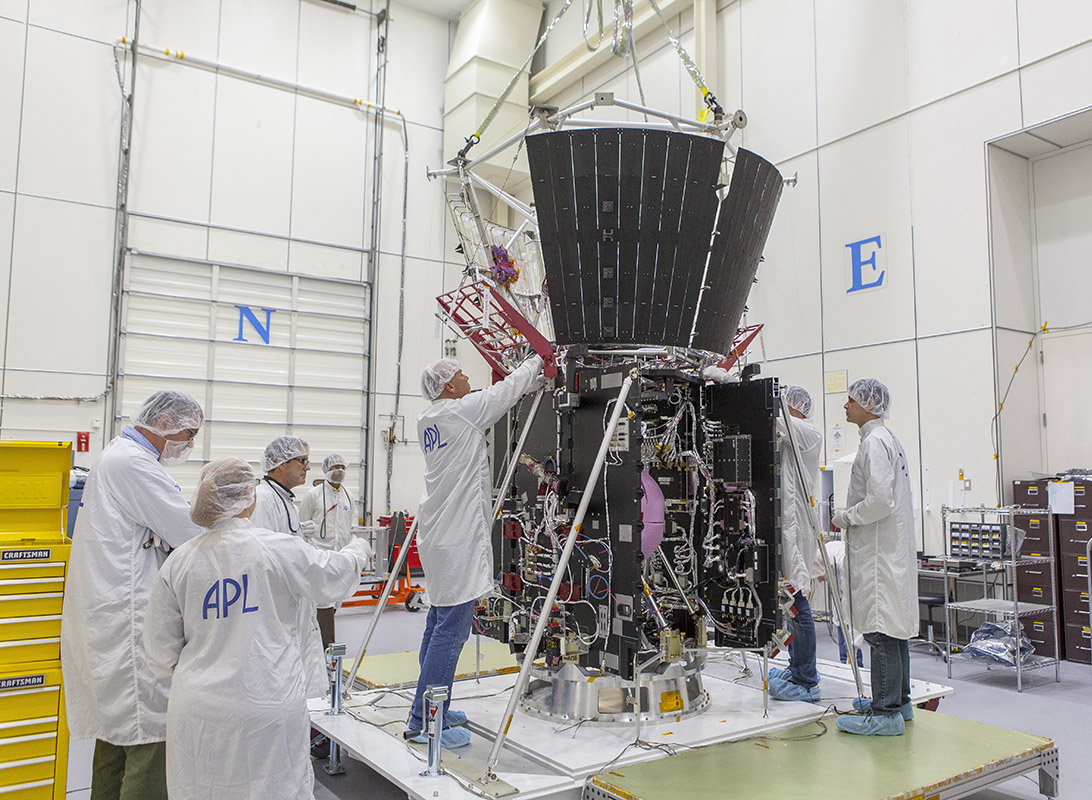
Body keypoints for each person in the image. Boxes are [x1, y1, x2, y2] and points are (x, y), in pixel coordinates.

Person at [143, 458, 371, 800]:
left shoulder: (181, 561)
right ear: (249, 497)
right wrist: (358, 549)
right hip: (267, 700)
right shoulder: (278, 549)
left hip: (199, 710)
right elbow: (332, 577)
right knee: (275, 787)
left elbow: (159, 652)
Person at [60, 390, 205, 800]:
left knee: (117, 731)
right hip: (130, 615)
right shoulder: (133, 463)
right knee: (149, 727)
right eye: (188, 433)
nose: (188, 443)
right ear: (163, 423)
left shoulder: (119, 456)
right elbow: (187, 529)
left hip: (111, 610)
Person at [406, 354, 544, 748]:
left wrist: (531, 383)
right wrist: (536, 361)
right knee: (451, 631)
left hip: (438, 536)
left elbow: (495, 397)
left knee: (437, 625)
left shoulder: (431, 418)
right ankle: (424, 721)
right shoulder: (461, 413)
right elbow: (502, 392)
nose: (469, 378)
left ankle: (433, 704)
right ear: (449, 386)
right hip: (456, 540)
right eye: (462, 374)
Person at [832, 378, 917, 736]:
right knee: (893, 630)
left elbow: (881, 500)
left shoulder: (876, 443)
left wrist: (846, 516)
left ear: (869, 404)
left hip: (879, 554)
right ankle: (899, 701)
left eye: (851, 400)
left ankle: (885, 713)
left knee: (880, 632)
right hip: (888, 551)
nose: (846, 406)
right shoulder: (886, 440)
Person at [768, 385, 823, 703]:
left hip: (796, 531)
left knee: (798, 605)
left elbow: (775, 418)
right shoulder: (789, 434)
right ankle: (798, 667)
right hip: (785, 529)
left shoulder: (806, 432)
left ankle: (806, 679)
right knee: (790, 604)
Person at [299, 454, 372, 648]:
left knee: (335, 600)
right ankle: (326, 648)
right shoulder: (313, 494)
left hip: (340, 555)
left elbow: (348, 524)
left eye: (342, 466)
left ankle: (320, 642)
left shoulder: (348, 495)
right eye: (334, 467)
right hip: (319, 553)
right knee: (323, 601)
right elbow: (303, 525)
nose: (339, 470)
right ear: (326, 470)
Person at [253, 435, 315, 539]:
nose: (307, 467)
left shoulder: (284, 498)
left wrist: (299, 533)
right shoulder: (263, 498)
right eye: (302, 460)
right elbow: (263, 548)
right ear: (281, 463)